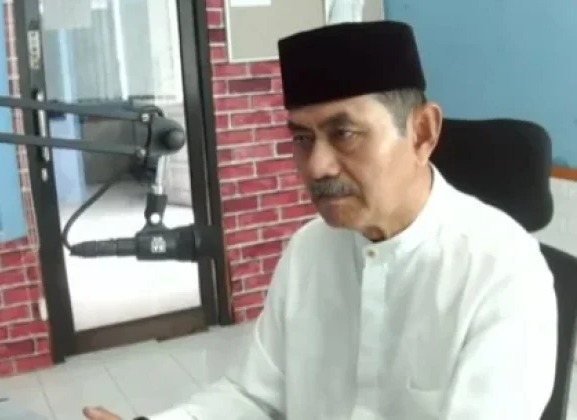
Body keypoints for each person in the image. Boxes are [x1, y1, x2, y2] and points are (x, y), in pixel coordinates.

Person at [82, 21, 558, 420]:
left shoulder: (502, 271)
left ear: (422, 132)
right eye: (302, 139)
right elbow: (254, 396)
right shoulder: (310, 248)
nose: (316, 166)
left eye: (344, 133)